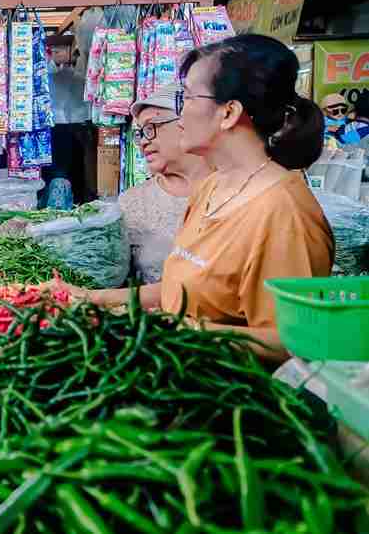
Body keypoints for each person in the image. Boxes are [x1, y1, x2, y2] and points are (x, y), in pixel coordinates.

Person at [66, 34, 334, 362]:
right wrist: (91, 298)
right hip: (181, 370)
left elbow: (294, 342)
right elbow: (183, 290)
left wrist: (177, 330)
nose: (180, 116)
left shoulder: (283, 212)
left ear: (229, 113)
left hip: (236, 386)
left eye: (188, 98)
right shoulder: (212, 187)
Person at [118, 85, 212, 283]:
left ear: (185, 123)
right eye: (140, 133)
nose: (143, 141)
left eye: (151, 127)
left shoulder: (233, 190)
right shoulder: (132, 202)